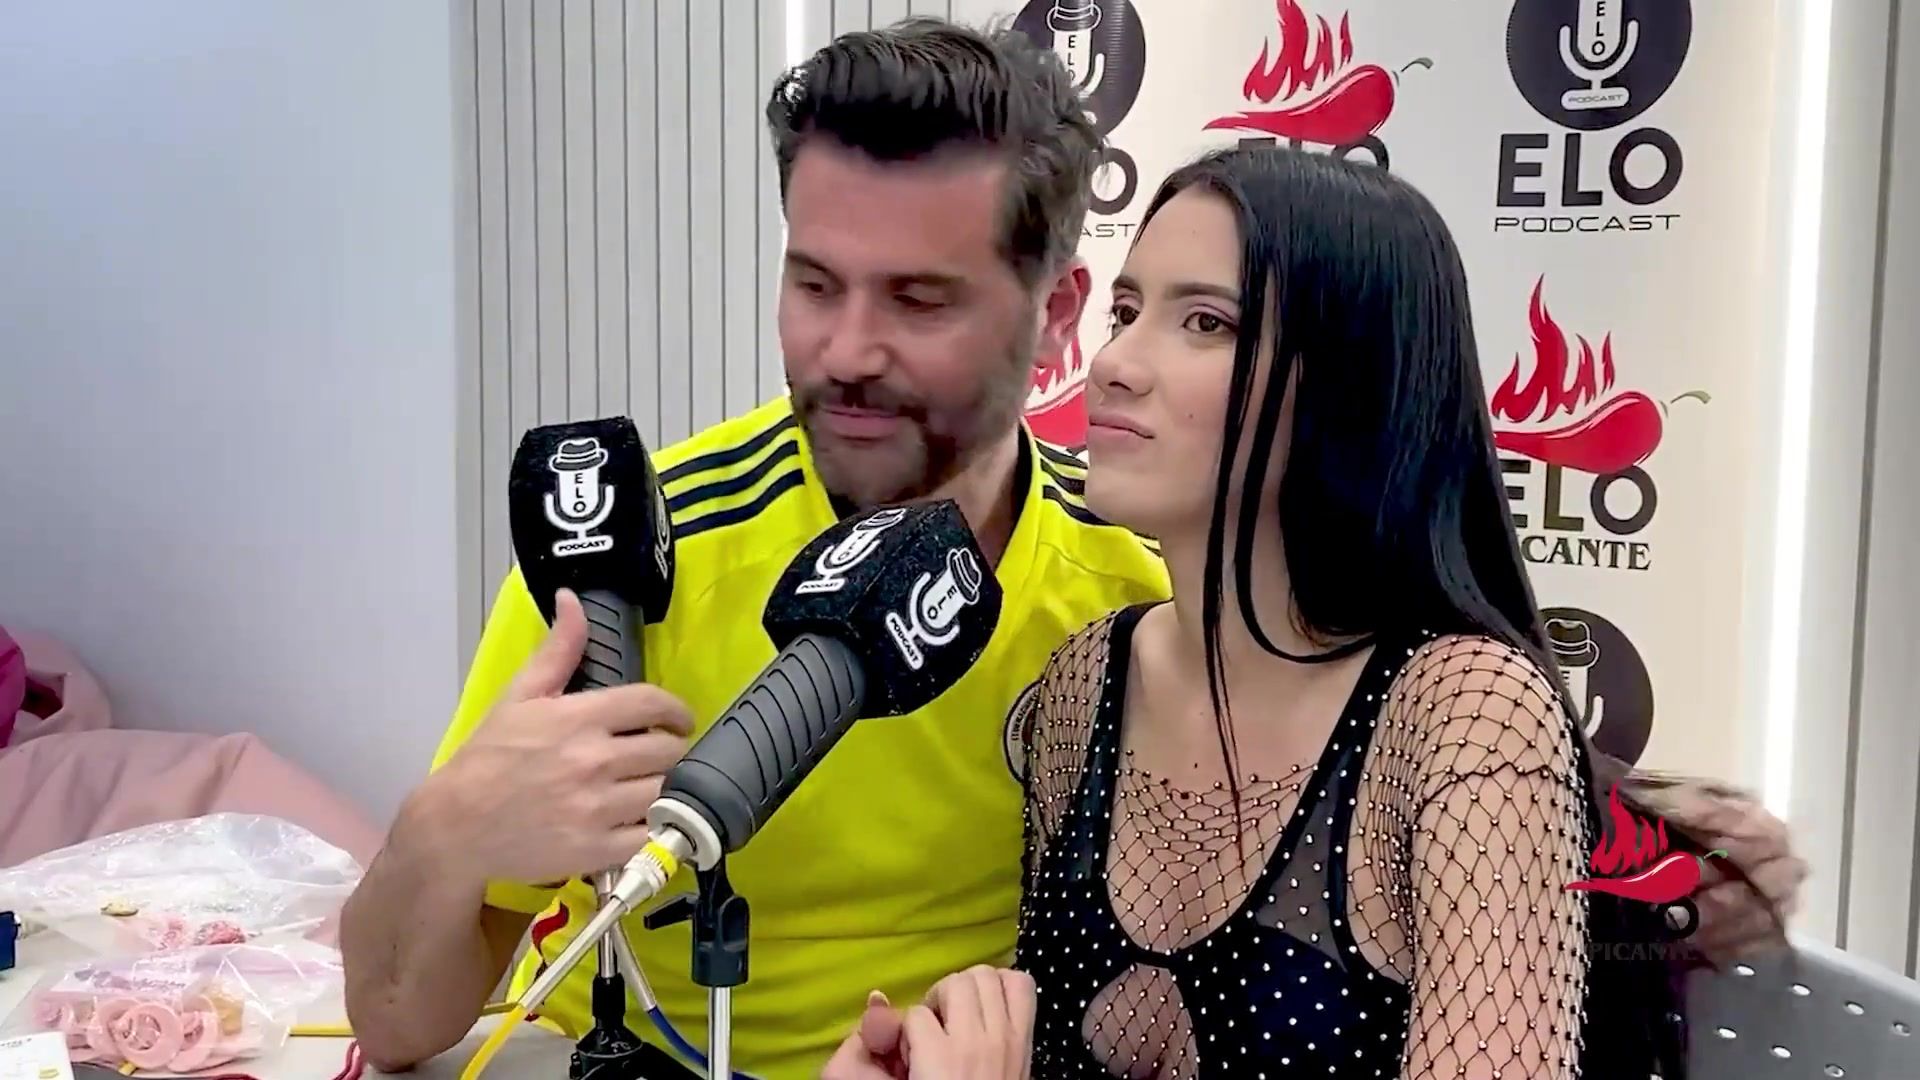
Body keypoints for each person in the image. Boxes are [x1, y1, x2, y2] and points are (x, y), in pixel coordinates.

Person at [340, 18, 1805, 1080]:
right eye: (814, 284)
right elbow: (398, 1025)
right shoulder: (633, 558)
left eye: (919, 299)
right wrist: (447, 836)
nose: (846, 352)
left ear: (1047, 314)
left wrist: (1615, 835)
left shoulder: (1131, 580)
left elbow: (1355, 736)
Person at [822, 145, 1782, 1080]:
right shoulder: (1084, 682)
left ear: (1346, 384)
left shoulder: (1465, 710)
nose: (1113, 362)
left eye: (1206, 323)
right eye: (1126, 311)